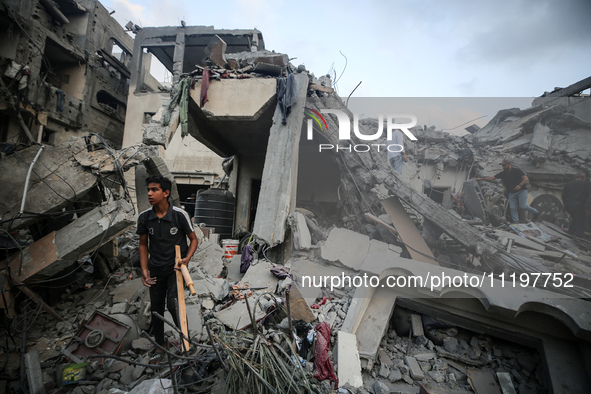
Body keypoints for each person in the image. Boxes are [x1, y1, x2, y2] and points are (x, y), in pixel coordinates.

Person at [137, 175, 198, 347]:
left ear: (165, 193)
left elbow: (194, 240)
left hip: (175, 268)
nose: (149, 193)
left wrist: (187, 259)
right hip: (155, 267)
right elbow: (143, 244)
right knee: (156, 307)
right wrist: (144, 269)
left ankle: (185, 341)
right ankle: (160, 344)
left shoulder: (179, 215)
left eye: (154, 190)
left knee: (173, 304)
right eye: (148, 189)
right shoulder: (144, 217)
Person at [474, 159, 540, 223]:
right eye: (502, 165)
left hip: (521, 191)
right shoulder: (503, 174)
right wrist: (480, 178)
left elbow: (526, 178)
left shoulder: (516, 171)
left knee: (522, 206)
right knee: (512, 208)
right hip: (512, 193)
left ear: (509, 165)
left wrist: (520, 185)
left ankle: (536, 212)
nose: (503, 167)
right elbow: (492, 178)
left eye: (504, 165)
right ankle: (516, 222)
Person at [562, 171, 591, 237]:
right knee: (581, 223)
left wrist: (564, 205)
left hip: (568, 205)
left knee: (575, 219)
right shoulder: (587, 184)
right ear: (583, 177)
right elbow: (589, 197)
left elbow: (563, 195)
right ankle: (578, 239)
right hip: (579, 205)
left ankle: (570, 233)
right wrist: (587, 207)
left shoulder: (568, 184)